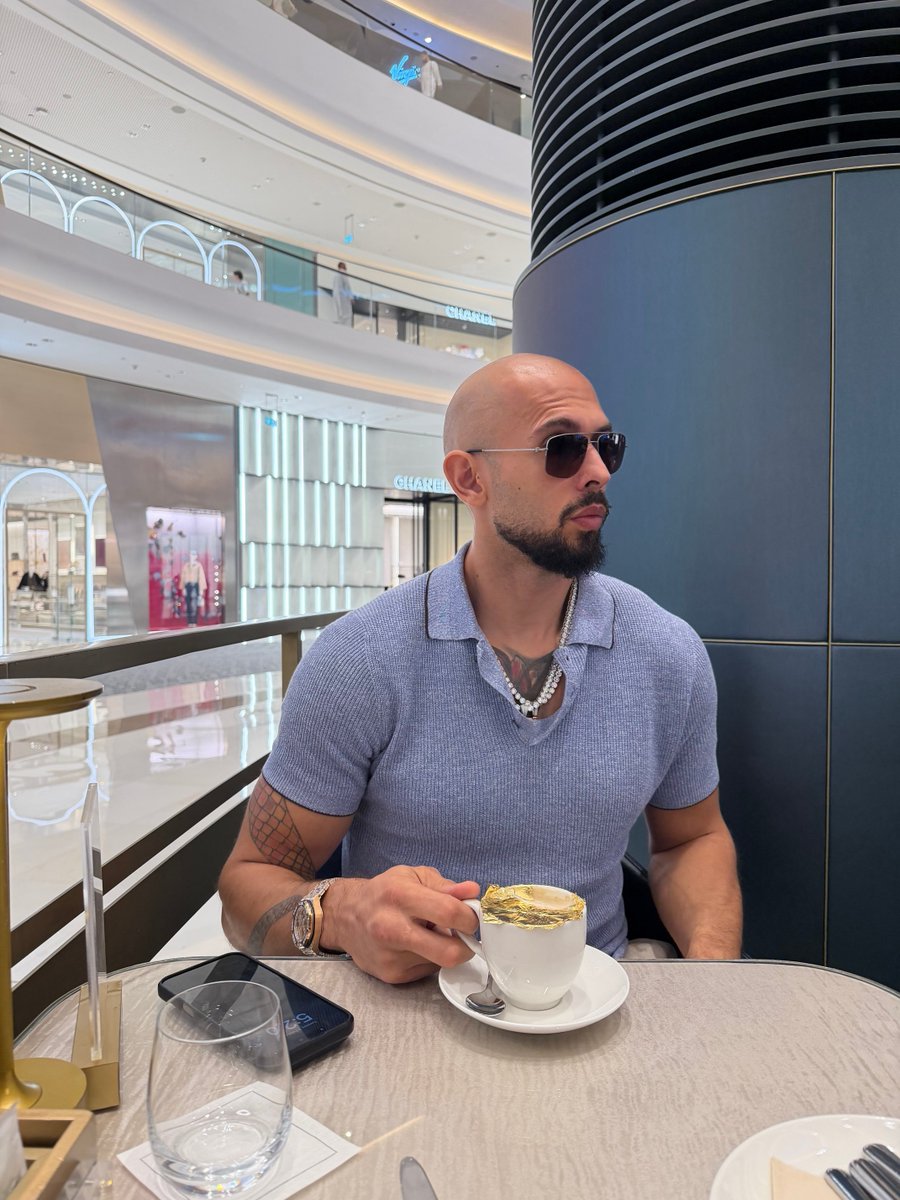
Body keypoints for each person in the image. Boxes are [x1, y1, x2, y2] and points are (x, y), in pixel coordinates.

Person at [219, 354, 742, 982]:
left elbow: (691, 839)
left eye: (606, 446)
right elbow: (249, 884)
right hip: (411, 1004)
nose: (598, 471)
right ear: (469, 478)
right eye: (562, 447)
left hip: (597, 995)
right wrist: (341, 915)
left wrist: (713, 976)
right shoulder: (359, 660)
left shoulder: (666, 653)